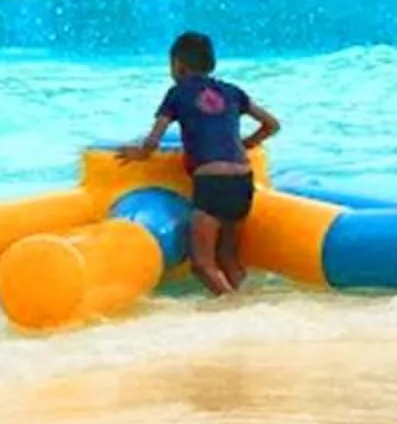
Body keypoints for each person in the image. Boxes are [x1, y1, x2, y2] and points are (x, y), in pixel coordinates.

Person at [117, 31, 278, 295]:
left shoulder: (177, 93)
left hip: (212, 182)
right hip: (242, 180)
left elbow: (153, 140)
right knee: (228, 258)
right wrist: (247, 143)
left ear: (178, 65)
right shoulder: (232, 91)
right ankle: (246, 298)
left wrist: (140, 153)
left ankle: (237, 308)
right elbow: (272, 124)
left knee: (203, 265)